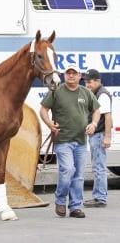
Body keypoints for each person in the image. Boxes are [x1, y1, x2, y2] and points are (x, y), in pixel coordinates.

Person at [40, 64, 100, 218]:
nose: (71, 76)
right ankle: (60, 200)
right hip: (63, 140)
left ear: (80, 76)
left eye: (74, 73)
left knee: (79, 176)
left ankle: (75, 207)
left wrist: (93, 124)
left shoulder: (85, 92)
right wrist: (49, 124)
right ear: (64, 75)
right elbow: (43, 109)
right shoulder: (56, 92)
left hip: (80, 141)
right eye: (68, 73)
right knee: (67, 170)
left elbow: (96, 110)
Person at [83, 69, 112, 208]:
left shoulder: (102, 95)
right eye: (86, 82)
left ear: (98, 81)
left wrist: (107, 137)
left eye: (89, 82)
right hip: (96, 135)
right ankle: (98, 196)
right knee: (97, 166)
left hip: (99, 135)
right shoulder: (95, 93)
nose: (87, 84)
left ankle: (100, 198)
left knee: (99, 167)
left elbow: (107, 117)